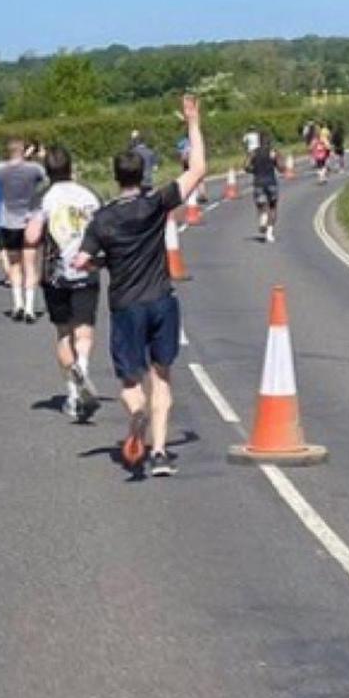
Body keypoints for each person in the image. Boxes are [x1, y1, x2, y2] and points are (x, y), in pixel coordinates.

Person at [74, 95, 206, 480]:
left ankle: (136, 416)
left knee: (131, 380)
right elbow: (198, 168)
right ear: (143, 175)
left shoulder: (103, 220)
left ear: (116, 178)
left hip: (126, 305)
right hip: (161, 300)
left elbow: (82, 261)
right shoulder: (155, 204)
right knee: (162, 376)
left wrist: (102, 259)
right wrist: (193, 122)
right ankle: (162, 452)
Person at [26, 144, 102, 424]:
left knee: (63, 334)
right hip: (87, 269)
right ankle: (82, 367)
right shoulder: (90, 193)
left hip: (55, 273)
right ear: (71, 167)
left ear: (47, 172)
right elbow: (103, 227)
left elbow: (33, 237)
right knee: (84, 332)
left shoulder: (43, 197)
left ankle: (72, 394)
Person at [0, 137, 48, 322]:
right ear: (25, 151)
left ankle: (17, 304)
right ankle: (30, 308)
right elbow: (45, 177)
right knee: (30, 266)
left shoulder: (1, 169)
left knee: (15, 266)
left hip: (9, 223)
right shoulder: (33, 169)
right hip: (29, 221)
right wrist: (37, 157)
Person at [247, 127, 285, 240]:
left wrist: (254, 170)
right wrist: (276, 162)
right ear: (269, 141)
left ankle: (263, 218)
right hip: (271, 182)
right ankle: (269, 232)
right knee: (273, 207)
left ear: (259, 141)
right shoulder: (273, 152)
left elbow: (245, 166)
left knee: (261, 205)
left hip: (258, 182)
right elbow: (281, 168)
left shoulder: (253, 153)